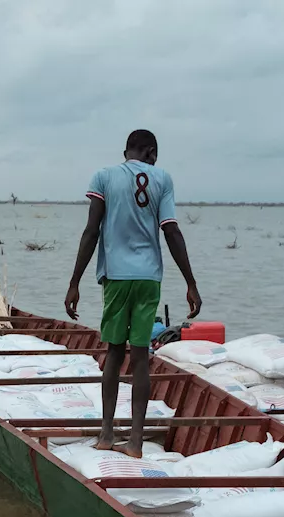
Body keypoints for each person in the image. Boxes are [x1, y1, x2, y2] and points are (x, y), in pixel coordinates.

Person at [65, 129, 202, 458]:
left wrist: (74, 282)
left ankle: (107, 434)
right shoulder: (162, 179)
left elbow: (91, 231)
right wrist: (191, 283)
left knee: (113, 354)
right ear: (151, 152)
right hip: (148, 278)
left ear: (126, 151)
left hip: (116, 277)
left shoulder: (104, 177)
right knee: (140, 357)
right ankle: (137, 442)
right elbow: (171, 229)